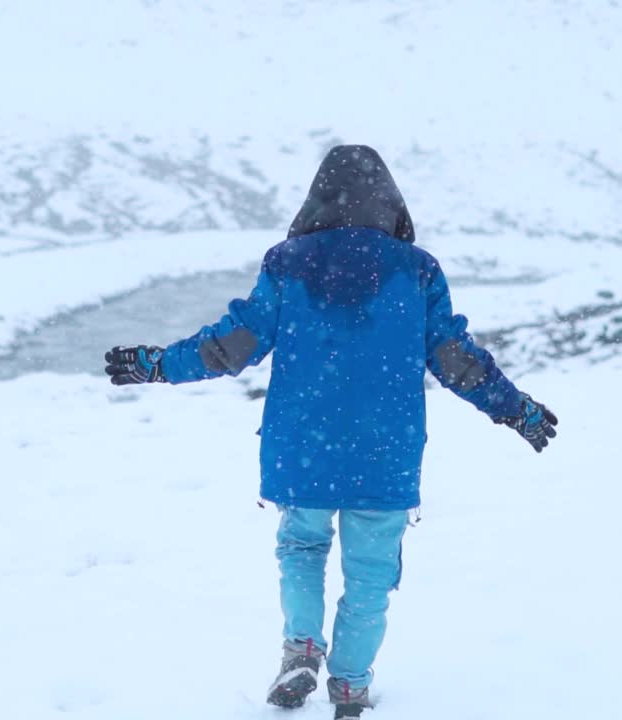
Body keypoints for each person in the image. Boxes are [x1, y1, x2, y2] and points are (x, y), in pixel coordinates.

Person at [104, 145, 558, 719]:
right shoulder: (417, 270)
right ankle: (349, 686)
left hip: (303, 444)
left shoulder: (288, 264)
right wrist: (513, 408)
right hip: (384, 451)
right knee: (369, 575)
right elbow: (454, 357)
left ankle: (300, 648)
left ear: (317, 198)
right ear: (390, 202)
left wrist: (158, 364)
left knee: (301, 547)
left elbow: (234, 344)